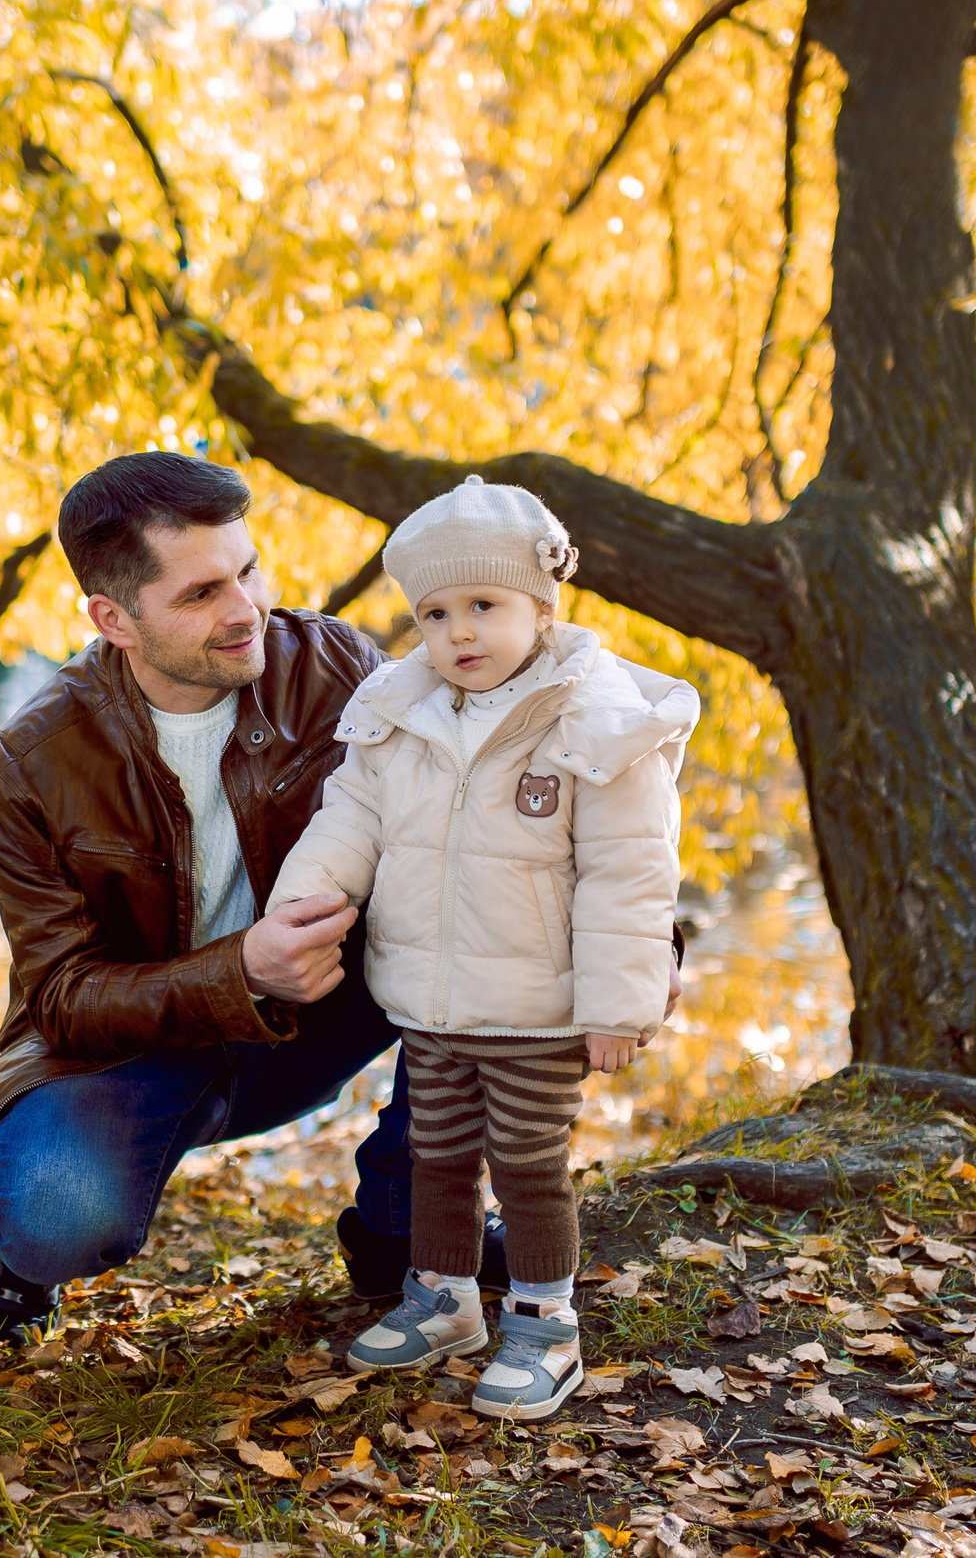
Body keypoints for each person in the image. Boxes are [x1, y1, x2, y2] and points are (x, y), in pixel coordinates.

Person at [0, 452, 514, 1341]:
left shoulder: (333, 664)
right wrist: (241, 969)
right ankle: (22, 1271)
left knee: (499, 958)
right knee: (56, 1206)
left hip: (326, 1006)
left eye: (248, 570)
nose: (245, 608)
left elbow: (483, 818)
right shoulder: (34, 763)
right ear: (114, 618)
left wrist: (633, 950)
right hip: (136, 1051)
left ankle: (407, 1228)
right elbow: (62, 998)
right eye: (201, 593)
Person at [267, 477, 698, 1420]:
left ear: (543, 608)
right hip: (430, 996)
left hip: (538, 1006)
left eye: (484, 606)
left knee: (530, 1162)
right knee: (437, 1152)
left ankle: (546, 1323)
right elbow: (351, 822)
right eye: (435, 612)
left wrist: (618, 1003)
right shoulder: (400, 713)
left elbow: (630, 872)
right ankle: (446, 1298)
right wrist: (303, 898)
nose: (459, 632)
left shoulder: (597, 717)